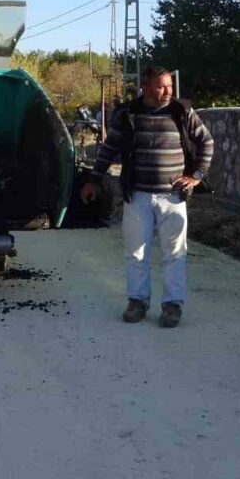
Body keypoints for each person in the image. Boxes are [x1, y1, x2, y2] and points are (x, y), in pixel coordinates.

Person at [80, 66, 214, 328]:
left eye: (168, 86)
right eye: (160, 86)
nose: (166, 91)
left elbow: (206, 142)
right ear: (145, 87)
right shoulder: (129, 114)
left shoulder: (181, 112)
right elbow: (109, 149)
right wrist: (93, 180)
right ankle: (137, 301)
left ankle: (173, 306)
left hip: (173, 197)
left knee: (174, 253)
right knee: (136, 252)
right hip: (138, 195)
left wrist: (196, 176)